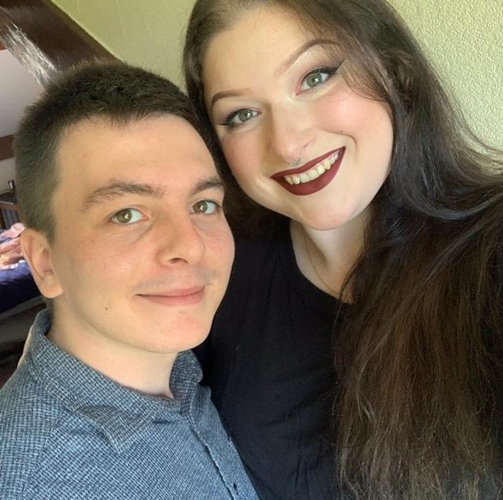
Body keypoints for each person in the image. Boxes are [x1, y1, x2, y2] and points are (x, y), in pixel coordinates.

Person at [183, 1, 503, 499]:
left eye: (315, 78)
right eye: (241, 114)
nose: (287, 145)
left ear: (393, 71)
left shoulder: (490, 253)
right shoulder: (219, 269)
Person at [0, 61, 258, 500]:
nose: (190, 246)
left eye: (203, 205)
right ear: (44, 263)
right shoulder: (29, 483)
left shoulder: (180, 366)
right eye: (127, 214)